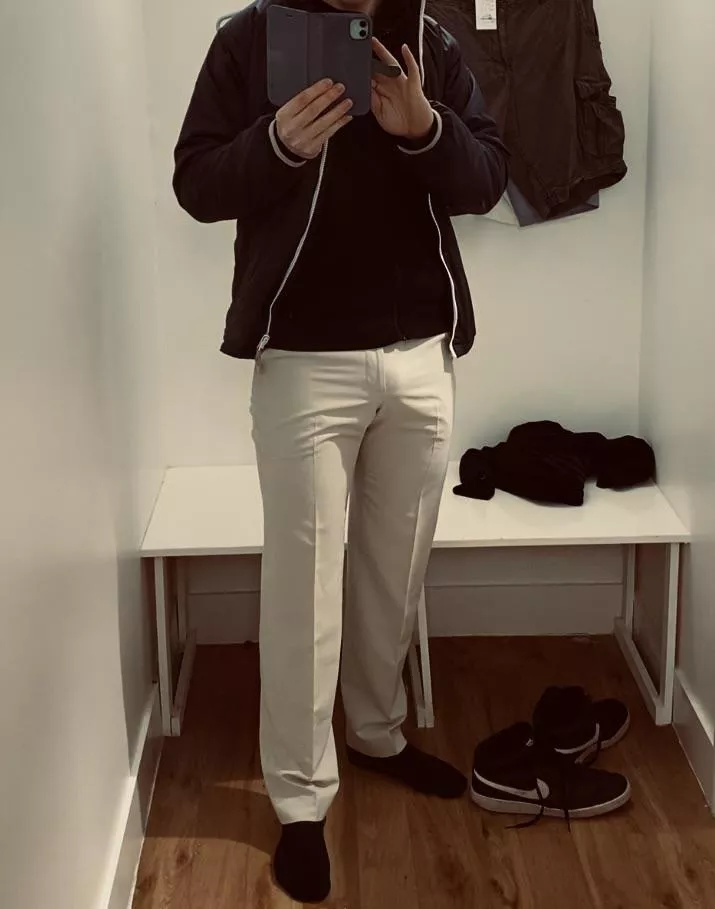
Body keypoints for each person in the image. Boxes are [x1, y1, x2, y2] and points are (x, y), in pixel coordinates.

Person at [174, 0, 508, 900]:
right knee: (305, 585)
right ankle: (298, 799)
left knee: (395, 568)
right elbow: (196, 183)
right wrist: (277, 144)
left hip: (420, 356)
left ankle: (377, 733)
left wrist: (424, 129)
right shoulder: (250, 38)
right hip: (302, 363)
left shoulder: (431, 38)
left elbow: (486, 178)